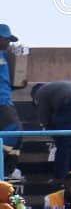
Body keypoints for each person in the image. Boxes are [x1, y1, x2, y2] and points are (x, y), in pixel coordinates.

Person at [31, 81, 71, 180]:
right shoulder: (55, 87)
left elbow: (45, 118)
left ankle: (60, 178)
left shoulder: (40, 93)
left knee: (64, 144)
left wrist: (56, 135)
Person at [0, 25, 20, 182]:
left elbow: (6, 81)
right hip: (1, 102)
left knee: (18, 136)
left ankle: (8, 170)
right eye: (6, 39)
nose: (8, 43)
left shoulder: (4, 56)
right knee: (14, 131)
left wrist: (19, 84)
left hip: (7, 99)